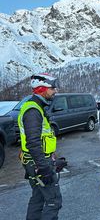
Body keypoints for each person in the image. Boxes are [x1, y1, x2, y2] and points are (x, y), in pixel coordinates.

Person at [18, 73, 62, 220]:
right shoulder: (33, 111)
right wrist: (44, 168)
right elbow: (33, 142)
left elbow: (41, 139)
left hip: (36, 161)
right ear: (42, 89)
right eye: (52, 88)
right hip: (38, 163)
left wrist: (52, 157)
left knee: (38, 198)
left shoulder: (37, 107)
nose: (55, 91)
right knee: (53, 201)